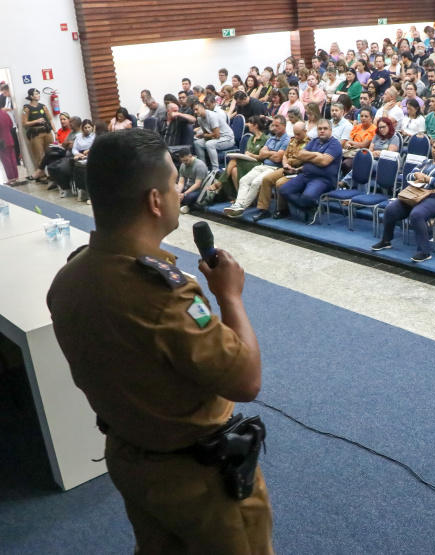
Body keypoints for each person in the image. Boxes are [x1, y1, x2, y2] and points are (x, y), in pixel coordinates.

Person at [46, 128, 272, 554]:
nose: (178, 190)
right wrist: (229, 296)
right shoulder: (163, 296)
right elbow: (246, 381)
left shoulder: (69, 279)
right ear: (154, 200)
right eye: (173, 184)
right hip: (196, 476)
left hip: (130, 458)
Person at [371, 138, 435, 262]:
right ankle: (386, 240)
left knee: (416, 214)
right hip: (417, 195)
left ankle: (424, 251)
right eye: (434, 147)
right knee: (390, 209)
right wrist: (416, 175)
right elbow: (408, 176)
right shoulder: (426, 162)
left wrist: (427, 179)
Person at [277, 119, 343, 219]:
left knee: (308, 197)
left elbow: (324, 161)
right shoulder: (314, 141)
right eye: (320, 129)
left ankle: (307, 205)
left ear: (330, 130)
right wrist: (317, 155)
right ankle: (310, 207)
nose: (322, 131)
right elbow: (300, 155)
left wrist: (309, 157)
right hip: (305, 175)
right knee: (284, 189)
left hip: (323, 179)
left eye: (325, 128)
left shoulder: (335, 144)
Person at [193, 102, 235, 170]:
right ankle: (203, 167)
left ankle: (215, 169)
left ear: (202, 107)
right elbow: (206, 133)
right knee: (197, 143)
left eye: (196, 109)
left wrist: (204, 135)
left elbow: (216, 135)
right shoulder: (199, 119)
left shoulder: (212, 116)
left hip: (227, 138)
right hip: (216, 138)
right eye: (194, 110)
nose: (195, 112)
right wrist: (204, 135)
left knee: (209, 144)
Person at [22, 88, 54, 172]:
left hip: (47, 131)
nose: (38, 95)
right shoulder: (26, 108)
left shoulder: (43, 106)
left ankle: (52, 173)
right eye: (36, 94)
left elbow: (50, 120)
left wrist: (55, 132)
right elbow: (24, 123)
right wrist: (36, 121)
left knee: (51, 153)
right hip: (36, 133)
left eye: (38, 93)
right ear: (31, 96)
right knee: (39, 155)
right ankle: (42, 175)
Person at [175, 147, 209, 214]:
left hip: (199, 190)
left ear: (191, 156)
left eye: (186, 160)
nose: (184, 162)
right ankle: (181, 204)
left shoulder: (199, 165)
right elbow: (181, 182)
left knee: (188, 197)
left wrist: (184, 194)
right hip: (188, 187)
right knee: (172, 190)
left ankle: (184, 204)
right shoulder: (183, 165)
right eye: (182, 161)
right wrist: (178, 192)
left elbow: (197, 184)